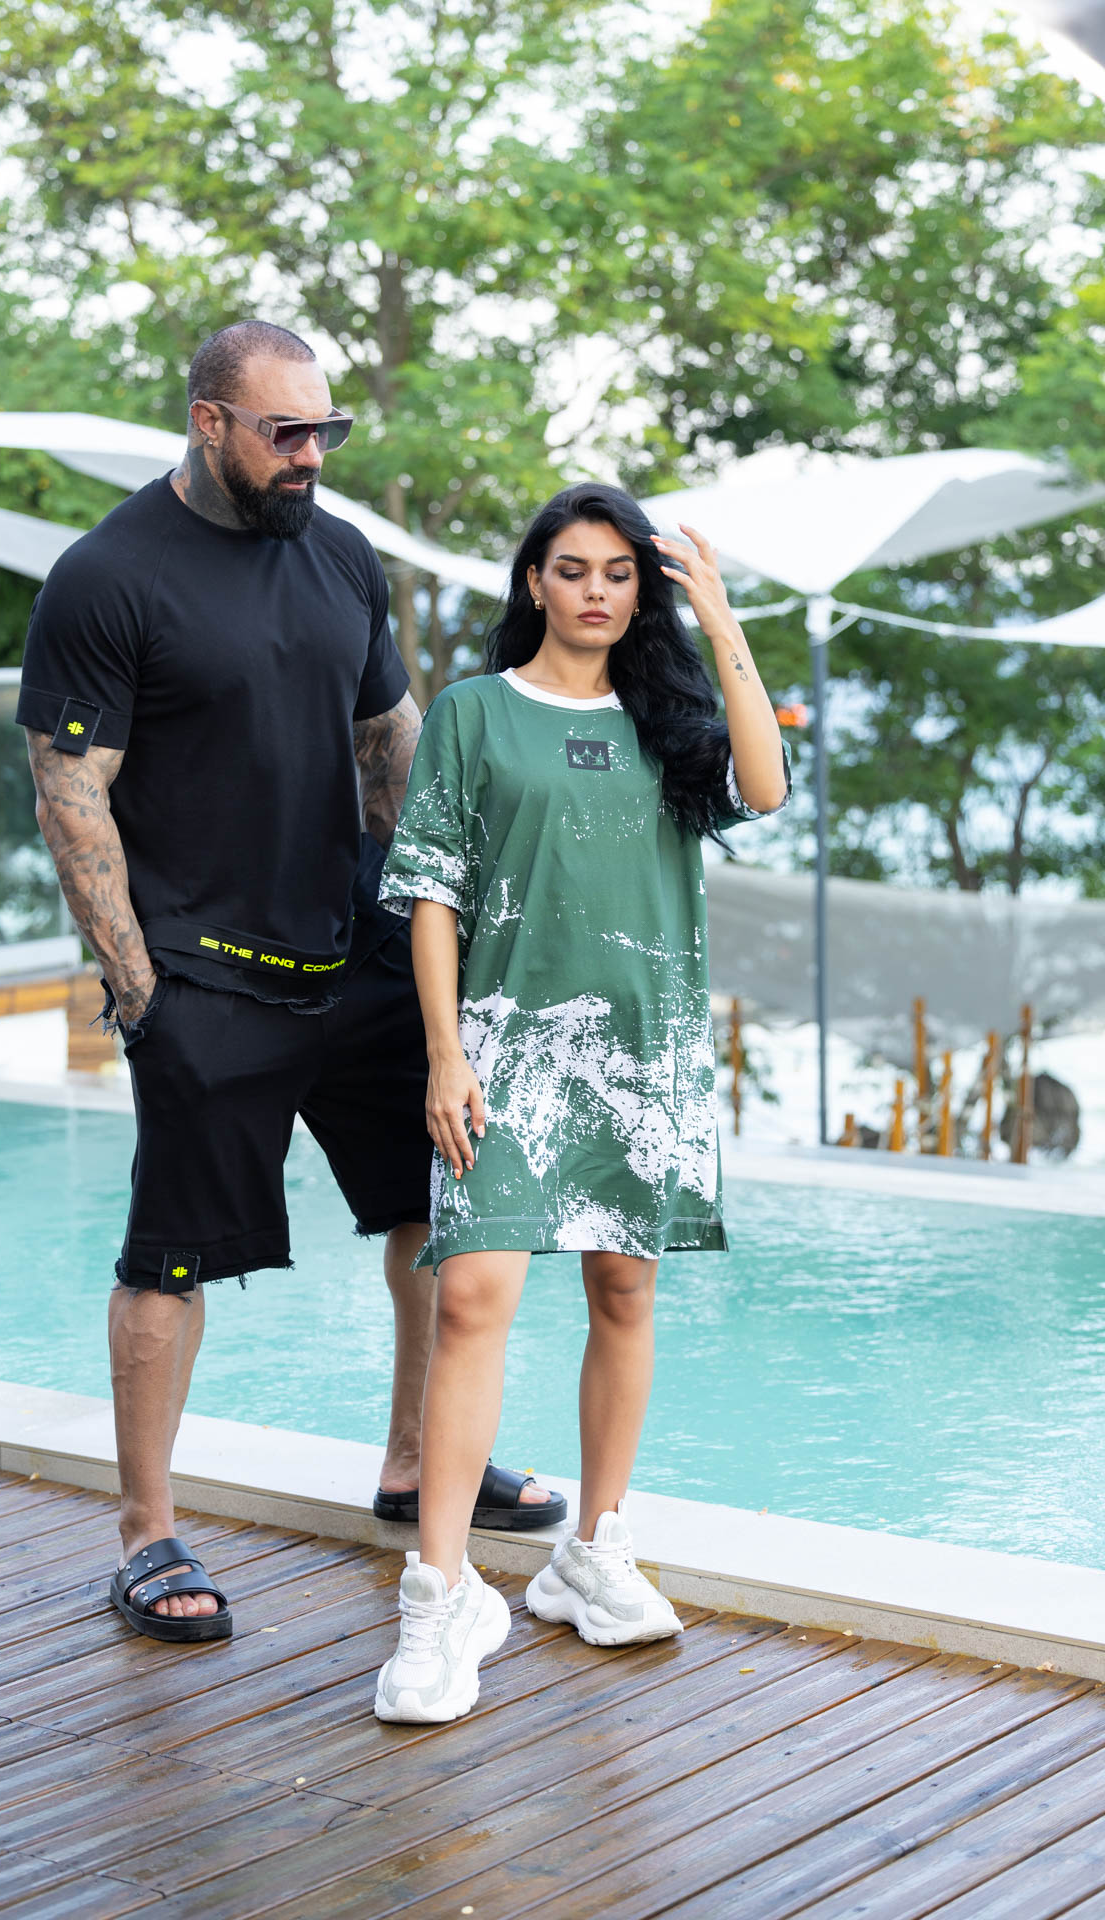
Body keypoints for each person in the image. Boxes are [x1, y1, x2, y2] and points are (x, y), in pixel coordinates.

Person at [18, 320, 563, 1643]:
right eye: (287, 431)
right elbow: (70, 793)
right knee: (168, 1260)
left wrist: (452, 918)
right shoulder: (107, 578)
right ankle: (146, 1534)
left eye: (327, 429)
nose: (312, 453)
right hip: (206, 975)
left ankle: (416, 1462)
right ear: (210, 423)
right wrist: (140, 991)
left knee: (433, 1205)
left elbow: (390, 747)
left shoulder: (340, 556)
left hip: (357, 950)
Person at [372, 483, 789, 1721]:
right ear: (533, 583)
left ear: (639, 590)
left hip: (640, 1051)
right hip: (499, 1047)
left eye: (618, 573)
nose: (595, 591)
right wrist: (443, 1055)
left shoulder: (667, 722)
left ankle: (591, 1550)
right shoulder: (473, 713)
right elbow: (433, 891)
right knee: (470, 1298)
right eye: (571, 569)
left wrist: (721, 624)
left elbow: (764, 788)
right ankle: (439, 1596)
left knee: (622, 1292)